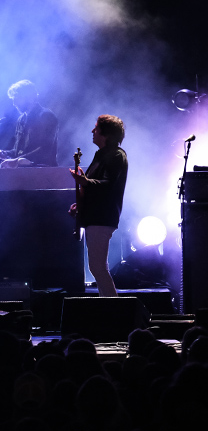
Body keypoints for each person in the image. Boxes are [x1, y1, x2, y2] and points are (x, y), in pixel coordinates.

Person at [69, 114, 128, 297]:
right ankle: (109, 308)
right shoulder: (100, 155)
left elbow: (107, 184)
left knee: (98, 267)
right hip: (95, 216)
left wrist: (84, 182)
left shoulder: (117, 155)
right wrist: (80, 204)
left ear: (106, 133)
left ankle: (115, 311)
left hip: (102, 216)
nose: (93, 131)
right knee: (97, 267)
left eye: (96, 128)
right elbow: (93, 186)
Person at [0, 80, 59, 168]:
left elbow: (45, 149)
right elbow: (20, 151)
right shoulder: (21, 119)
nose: (14, 103)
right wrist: (7, 153)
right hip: (23, 173)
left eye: (17, 98)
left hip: (44, 172)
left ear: (30, 97)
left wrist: (17, 160)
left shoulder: (46, 116)